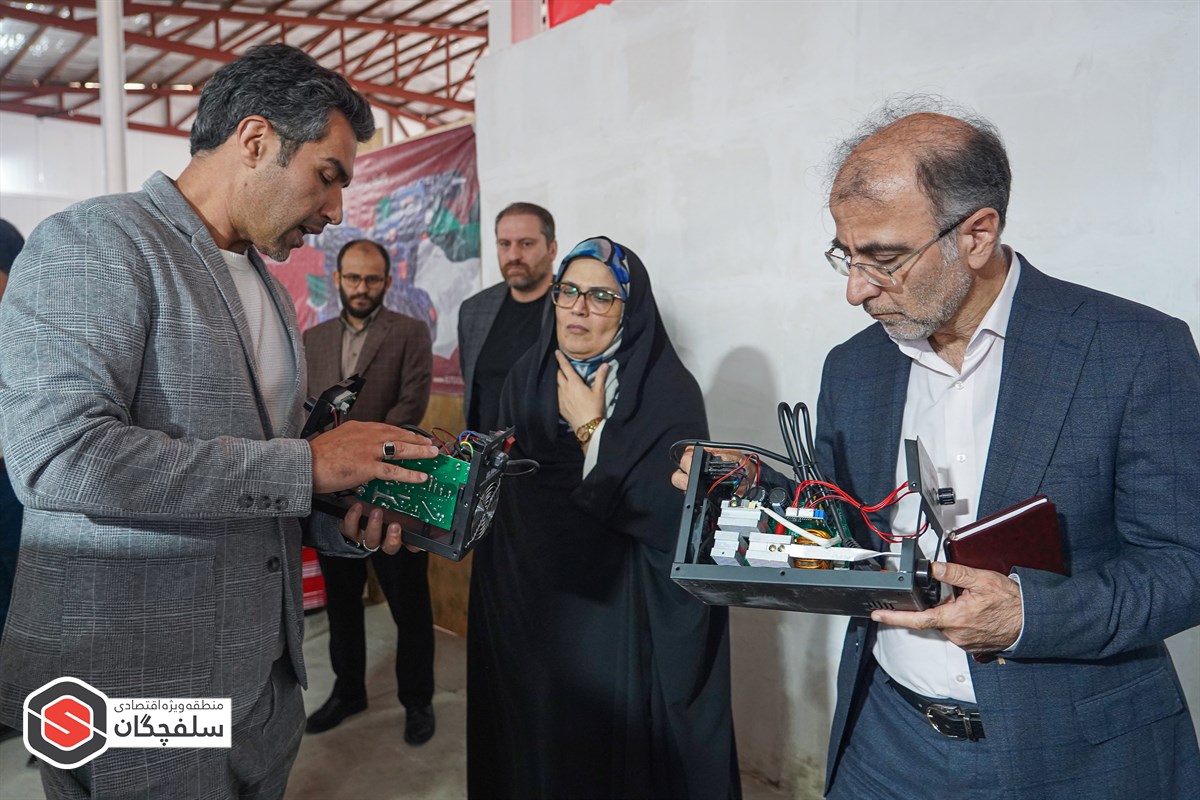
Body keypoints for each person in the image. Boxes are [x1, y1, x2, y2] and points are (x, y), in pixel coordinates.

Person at [675, 98, 1200, 798]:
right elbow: (846, 527)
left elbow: (1186, 562)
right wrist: (757, 495)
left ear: (977, 234)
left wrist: (1028, 616)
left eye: (884, 259)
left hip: (1071, 756)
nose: (856, 290)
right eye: (846, 257)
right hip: (884, 745)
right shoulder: (853, 368)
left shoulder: (1132, 351)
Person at [0, 44, 439, 799]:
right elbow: (59, 456)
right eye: (328, 176)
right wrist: (308, 466)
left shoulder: (266, 288)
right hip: (137, 684)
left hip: (261, 688)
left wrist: (345, 515)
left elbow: (262, 482)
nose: (335, 211)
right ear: (256, 140)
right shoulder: (97, 242)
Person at [468, 237, 741, 799]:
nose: (579, 309)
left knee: (603, 753)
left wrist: (591, 429)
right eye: (568, 291)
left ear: (629, 309)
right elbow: (509, 495)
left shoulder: (666, 390)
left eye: (601, 296)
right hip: (534, 605)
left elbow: (673, 515)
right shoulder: (525, 375)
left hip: (618, 608)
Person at [302, 239, 437, 744]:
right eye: (354, 278)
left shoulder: (409, 332)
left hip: (396, 496)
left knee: (410, 604)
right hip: (330, 502)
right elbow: (306, 411)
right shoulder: (312, 339)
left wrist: (360, 463)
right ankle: (348, 691)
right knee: (342, 601)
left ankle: (417, 700)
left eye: (372, 279)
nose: (362, 287)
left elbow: (410, 406)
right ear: (338, 279)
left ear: (387, 282)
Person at [458, 202, 557, 432]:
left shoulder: (574, 306)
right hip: (487, 450)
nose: (513, 255)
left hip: (551, 451)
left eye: (526, 244)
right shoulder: (473, 310)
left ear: (552, 249)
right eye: (504, 244)